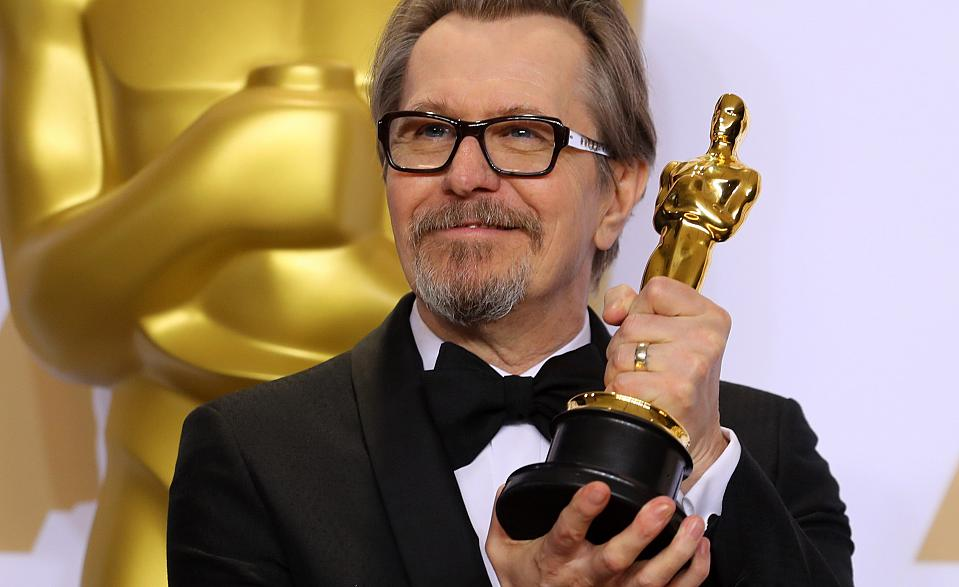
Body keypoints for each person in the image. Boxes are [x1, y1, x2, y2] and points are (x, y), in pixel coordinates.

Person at [167, 1, 853, 585]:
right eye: (429, 131)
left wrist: (695, 454)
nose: (465, 175)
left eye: (523, 133)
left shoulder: (761, 449)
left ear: (619, 192)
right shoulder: (252, 455)